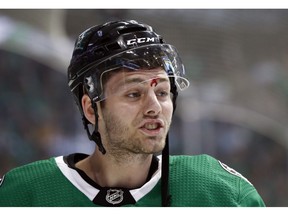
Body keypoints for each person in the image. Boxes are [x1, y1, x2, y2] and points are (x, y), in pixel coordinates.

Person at [0, 19, 265, 207]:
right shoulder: (22, 193)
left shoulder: (222, 193)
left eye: (162, 93)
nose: (154, 107)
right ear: (91, 108)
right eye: (133, 94)